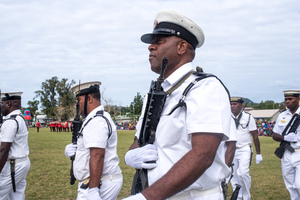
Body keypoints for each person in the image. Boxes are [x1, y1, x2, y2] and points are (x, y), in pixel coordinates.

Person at [123, 10, 232, 200]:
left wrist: (147, 197)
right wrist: (131, 155)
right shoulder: (155, 93)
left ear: (182, 47)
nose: (150, 47)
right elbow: (139, 139)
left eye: (159, 41)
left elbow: (203, 154)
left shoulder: (205, 88)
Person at [64, 81, 122, 200]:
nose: (77, 105)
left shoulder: (96, 121)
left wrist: (93, 189)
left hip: (99, 182)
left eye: (79, 100)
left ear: (89, 99)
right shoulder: (95, 117)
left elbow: (97, 155)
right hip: (99, 180)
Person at [230, 96, 263, 200]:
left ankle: (247, 196)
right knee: (234, 175)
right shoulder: (227, 117)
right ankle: (238, 196)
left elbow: (255, 136)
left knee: (243, 173)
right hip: (231, 150)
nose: (232, 106)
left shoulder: (248, 117)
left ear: (241, 105)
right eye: (231, 104)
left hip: (244, 148)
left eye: (235, 104)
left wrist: (258, 153)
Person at [0, 92, 31, 199]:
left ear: (8, 104)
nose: (1, 106)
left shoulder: (11, 121)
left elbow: (4, 149)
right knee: (16, 196)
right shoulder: (20, 117)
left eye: (2, 103)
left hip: (12, 166)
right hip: (21, 163)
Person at [272, 89, 300, 200]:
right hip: (287, 153)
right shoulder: (282, 115)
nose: (287, 101)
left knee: (298, 184)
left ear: (298, 99)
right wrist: (284, 138)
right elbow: (274, 134)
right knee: (289, 183)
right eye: (286, 99)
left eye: (290, 99)